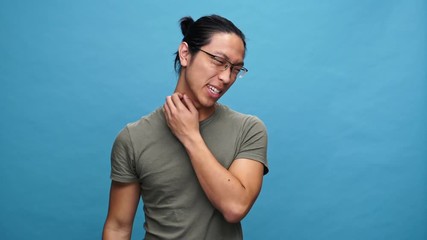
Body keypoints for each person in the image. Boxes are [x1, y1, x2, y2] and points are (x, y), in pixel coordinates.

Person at [102, 14, 269, 240]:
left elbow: (235, 207)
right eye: (219, 61)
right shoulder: (133, 138)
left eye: (236, 69)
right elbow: (118, 227)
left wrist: (190, 136)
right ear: (185, 54)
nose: (226, 77)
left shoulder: (249, 130)